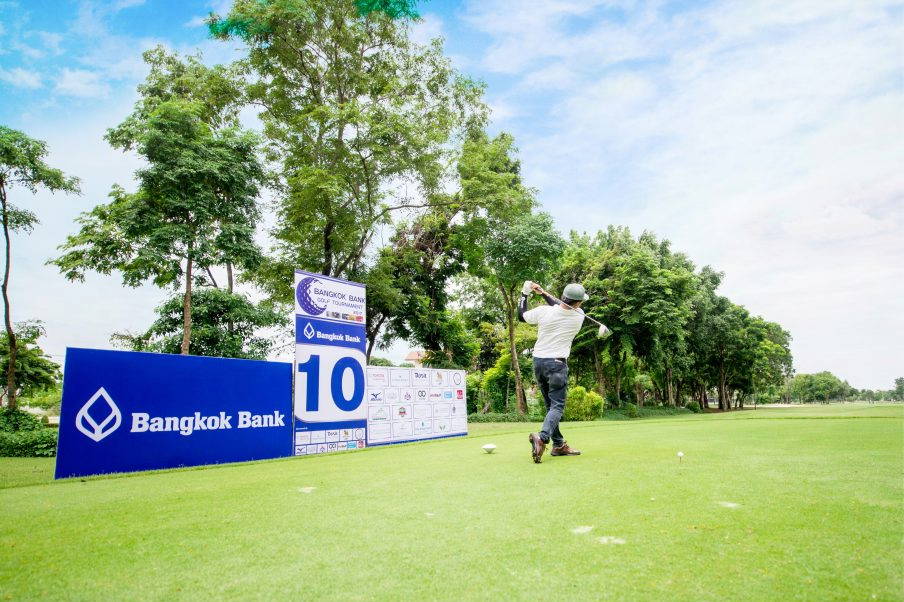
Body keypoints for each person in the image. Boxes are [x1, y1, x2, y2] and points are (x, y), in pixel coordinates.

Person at [518, 281, 595, 463]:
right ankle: (543, 438)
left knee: (551, 406)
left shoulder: (544, 311)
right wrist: (544, 293)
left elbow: (522, 316)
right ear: (577, 303)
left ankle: (559, 445)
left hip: (538, 363)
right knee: (557, 406)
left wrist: (525, 293)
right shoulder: (579, 315)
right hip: (557, 365)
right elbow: (562, 308)